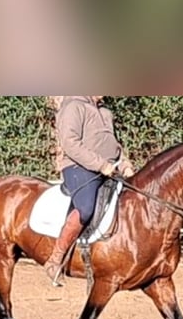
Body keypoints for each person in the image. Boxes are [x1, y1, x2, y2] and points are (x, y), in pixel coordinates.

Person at [45, 96, 136, 285]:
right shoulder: (73, 106)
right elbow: (70, 142)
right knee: (85, 208)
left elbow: (115, 146)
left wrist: (125, 164)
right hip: (78, 167)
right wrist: (101, 165)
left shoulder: (105, 112)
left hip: (109, 169)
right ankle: (55, 258)